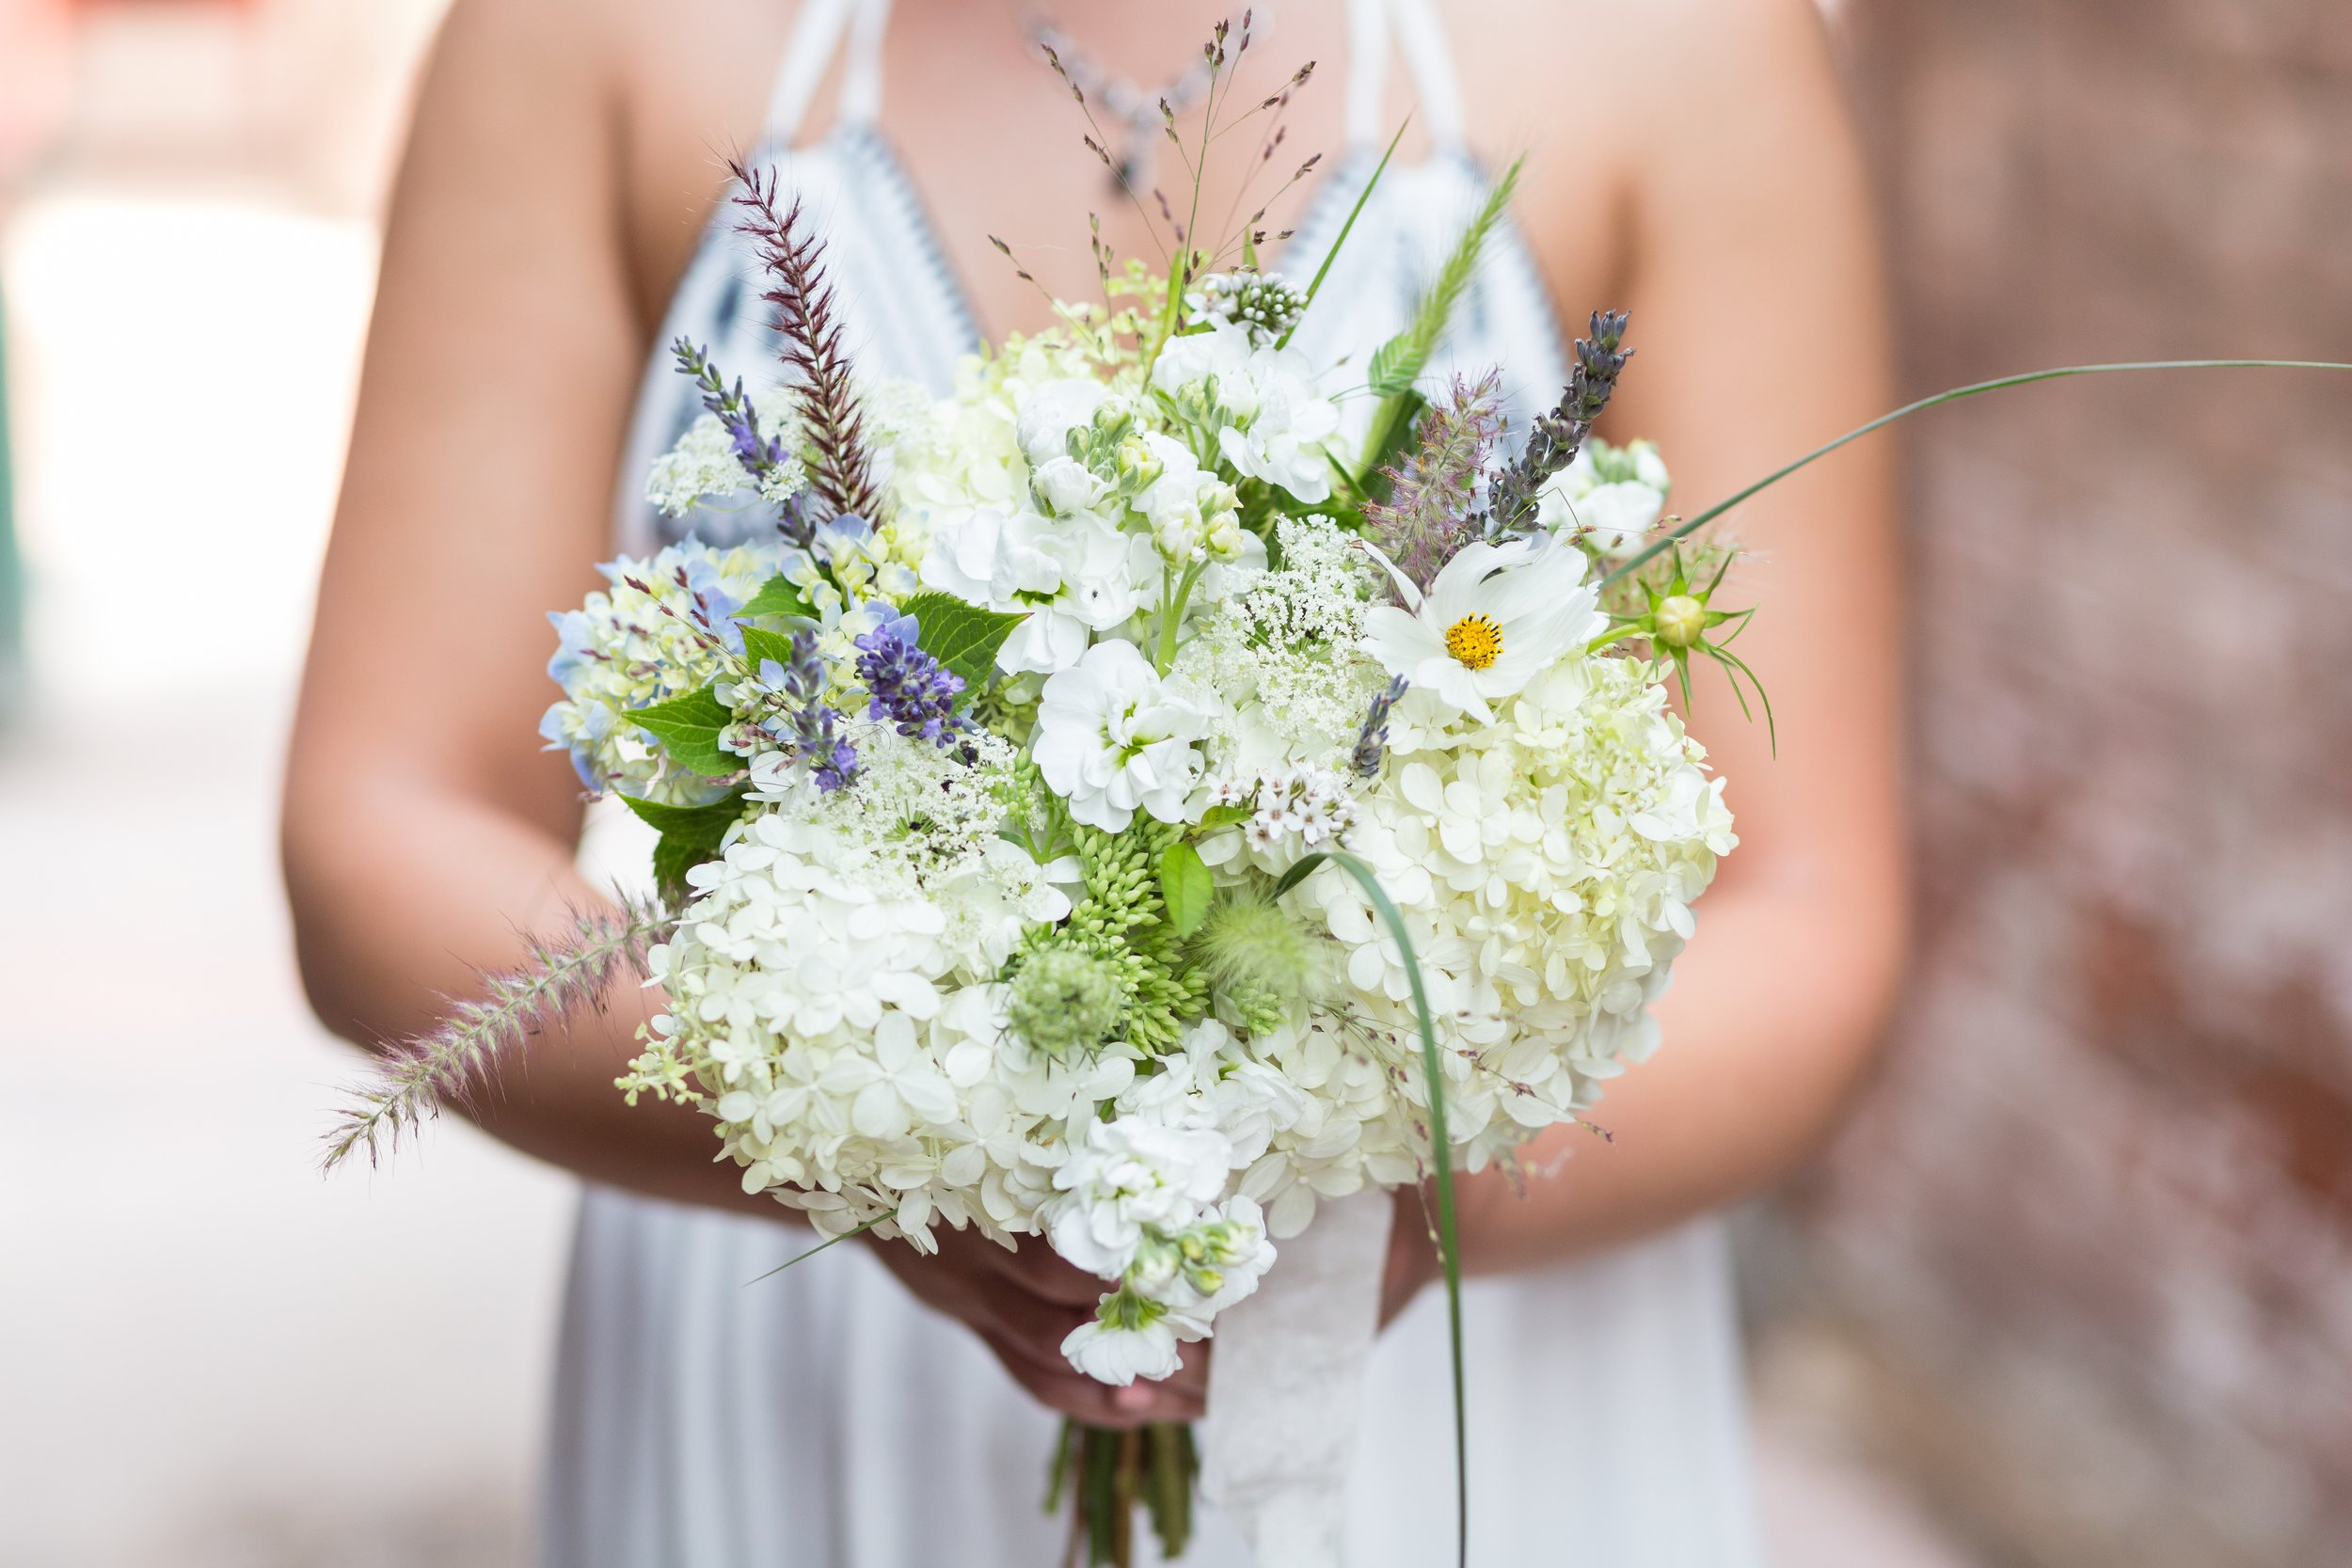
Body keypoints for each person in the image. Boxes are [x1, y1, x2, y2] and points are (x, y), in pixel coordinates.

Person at [283, 0, 1906, 1561]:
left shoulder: (1679, 39)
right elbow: (381, 826)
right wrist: (885, 1127)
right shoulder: (587, 34)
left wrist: (1375, 1211)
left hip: (1447, 1400)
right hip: (813, 1364)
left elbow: (1810, 912)